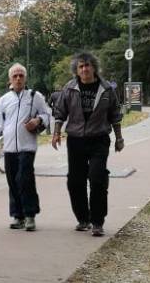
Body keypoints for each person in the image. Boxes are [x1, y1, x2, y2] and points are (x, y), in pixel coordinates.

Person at [52, 52, 124, 237]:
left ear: (94, 67)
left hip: (99, 139)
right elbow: (60, 112)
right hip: (76, 140)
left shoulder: (106, 89)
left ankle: (98, 221)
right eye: (81, 66)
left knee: (97, 178)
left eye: (87, 65)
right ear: (76, 70)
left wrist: (119, 138)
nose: (84, 69)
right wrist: (56, 133)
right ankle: (83, 219)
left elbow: (115, 115)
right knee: (75, 181)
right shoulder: (69, 88)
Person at [0, 63, 50, 231]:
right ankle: (17, 216)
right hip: (9, 148)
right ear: (10, 79)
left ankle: (30, 215)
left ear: (25, 78)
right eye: (15, 76)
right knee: (12, 181)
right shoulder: (4, 100)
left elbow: (47, 114)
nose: (18, 78)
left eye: (21, 75)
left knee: (24, 179)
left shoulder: (35, 96)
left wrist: (38, 121)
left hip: (28, 146)